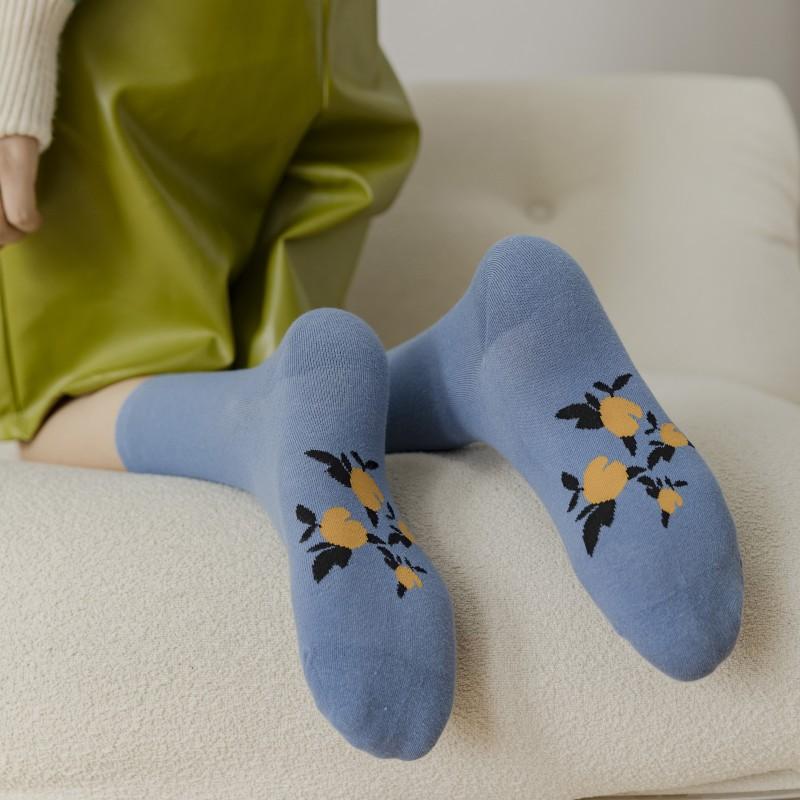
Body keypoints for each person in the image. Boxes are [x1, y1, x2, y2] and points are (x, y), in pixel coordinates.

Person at [0, 0, 743, 762]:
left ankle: (263, 416)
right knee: (288, 369)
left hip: (129, 51)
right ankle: (485, 349)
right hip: (314, 43)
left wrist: (13, 63)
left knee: (58, 415)